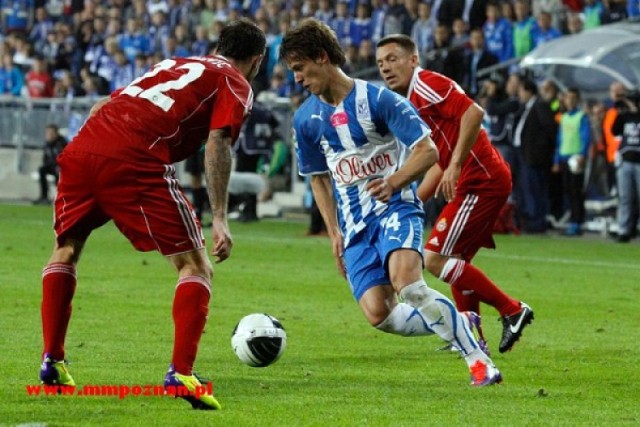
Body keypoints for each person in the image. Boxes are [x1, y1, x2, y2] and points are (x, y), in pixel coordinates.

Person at [38, 18, 266, 410]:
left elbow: (100, 105)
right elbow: (217, 143)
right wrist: (221, 216)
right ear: (257, 60)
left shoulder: (172, 63)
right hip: (135, 157)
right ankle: (181, 374)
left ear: (217, 45)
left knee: (66, 249)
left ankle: (52, 362)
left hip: (83, 148)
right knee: (195, 266)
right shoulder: (235, 81)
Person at [280, 18, 502, 387]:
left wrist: (395, 181)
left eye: (300, 69)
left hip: (396, 208)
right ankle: (458, 323)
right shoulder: (305, 119)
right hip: (354, 227)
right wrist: (333, 231)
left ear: (321, 58)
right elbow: (318, 179)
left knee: (409, 286)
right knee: (380, 315)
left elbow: (427, 151)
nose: (297, 79)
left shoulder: (379, 100)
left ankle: (478, 362)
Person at [375, 34, 533, 355]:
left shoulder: (426, 84)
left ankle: (512, 309)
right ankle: (471, 336)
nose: (386, 68)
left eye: (393, 59)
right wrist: (415, 199)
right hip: (474, 179)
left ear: (413, 60)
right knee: (456, 261)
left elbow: (474, 112)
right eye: (380, 63)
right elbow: (437, 160)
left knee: (435, 259)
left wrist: (456, 164)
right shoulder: (410, 100)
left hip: (480, 179)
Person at [552, 87, 591, 236]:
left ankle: (576, 222)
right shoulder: (564, 117)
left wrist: (582, 155)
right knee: (568, 190)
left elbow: (585, 137)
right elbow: (560, 140)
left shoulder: (581, 117)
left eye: (573, 97)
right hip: (564, 157)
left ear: (577, 99)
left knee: (576, 191)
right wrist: (556, 160)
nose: (570, 100)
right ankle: (572, 220)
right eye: (568, 97)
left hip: (575, 158)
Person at [611, 95, 640, 242]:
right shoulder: (626, 117)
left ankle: (634, 228)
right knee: (625, 198)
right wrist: (622, 112)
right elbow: (614, 130)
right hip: (626, 161)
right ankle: (624, 230)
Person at [34, 124, 67, 205]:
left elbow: (65, 158)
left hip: (62, 168)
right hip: (51, 166)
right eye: (48, 133)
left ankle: (60, 197)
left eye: (51, 133)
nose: (49, 135)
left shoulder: (62, 143)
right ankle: (44, 196)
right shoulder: (47, 144)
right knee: (42, 170)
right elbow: (45, 158)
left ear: (56, 134)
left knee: (58, 172)